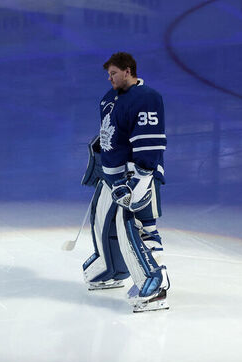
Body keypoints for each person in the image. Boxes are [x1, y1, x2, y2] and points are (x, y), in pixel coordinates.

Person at [81, 52, 170, 313]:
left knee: (131, 227)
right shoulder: (108, 99)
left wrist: (142, 181)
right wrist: (100, 165)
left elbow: (150, 143)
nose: (109, 78)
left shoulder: (148, 98)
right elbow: (110, 138)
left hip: (133, 178)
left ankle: (154, 282)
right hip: (111, 176)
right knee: (99, 217)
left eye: (114, 73)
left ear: (128, 71)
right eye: (108, 74)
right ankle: (110, 268)